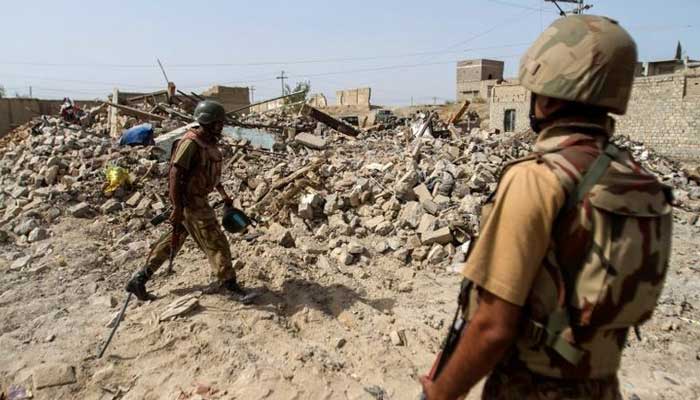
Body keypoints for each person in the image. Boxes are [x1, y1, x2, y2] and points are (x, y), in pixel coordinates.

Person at [421, 15, 673, 400]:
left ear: (550, 92)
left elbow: (492, 327)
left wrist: (440, 393)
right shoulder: (644, 184)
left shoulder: (538, 179)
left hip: (529, 388)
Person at [126, 100, 249, 301]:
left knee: (172, 241)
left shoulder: (208, 143)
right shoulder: (190, 143)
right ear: (208, 123)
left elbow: (209, 174)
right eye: (218, 123)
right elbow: (175, 174)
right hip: (191, 204)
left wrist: (224, 195)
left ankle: (139, 279)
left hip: (198, 200)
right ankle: (229, 284)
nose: (221, 127)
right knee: (217, 242)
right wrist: (177, 207)